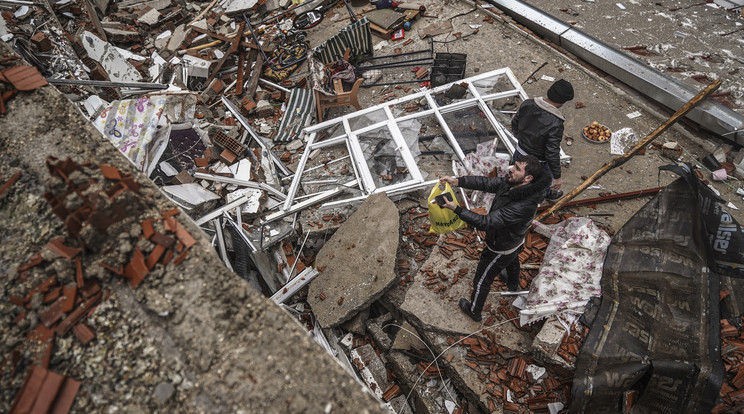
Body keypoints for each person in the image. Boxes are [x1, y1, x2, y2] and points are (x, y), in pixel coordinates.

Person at [438, 154, 550, 322]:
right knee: (513, 260)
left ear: (528, 178)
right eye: (514, 165)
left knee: (482, 280)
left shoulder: (523, 206)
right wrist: (458, 181)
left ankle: (474, 311)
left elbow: (486, 222)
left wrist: (456, 209)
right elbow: (487, 183)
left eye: (517, 168)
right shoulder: (513, 183)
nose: (511, 169)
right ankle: (513, 284)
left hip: (500, 247)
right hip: (514, 240)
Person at [511, 79, 574, 201]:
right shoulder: (556, 123)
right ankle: (545, 195)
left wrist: (519, 135)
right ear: (563, 101)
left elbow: (515, 122)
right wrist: (557, 177)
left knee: (519, 177)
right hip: (538, 163)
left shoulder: (528, 103)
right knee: (541, 184)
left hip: (519, 153)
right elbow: (552, 152)